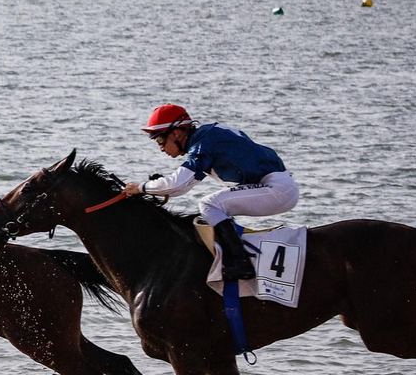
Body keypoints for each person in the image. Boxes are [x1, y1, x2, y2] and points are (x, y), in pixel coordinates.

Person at [126, 104, 297, 281]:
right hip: (278, 185)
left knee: (209, 204)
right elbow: (182, 187)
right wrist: (156, 188)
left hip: (276, 189)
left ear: (176, 133)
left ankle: (241, 263)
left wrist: (140, 187)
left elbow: (177, 183)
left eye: (160, 140)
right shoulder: (207, 137)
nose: (161, 148)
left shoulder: (203, 144)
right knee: (214, 205)